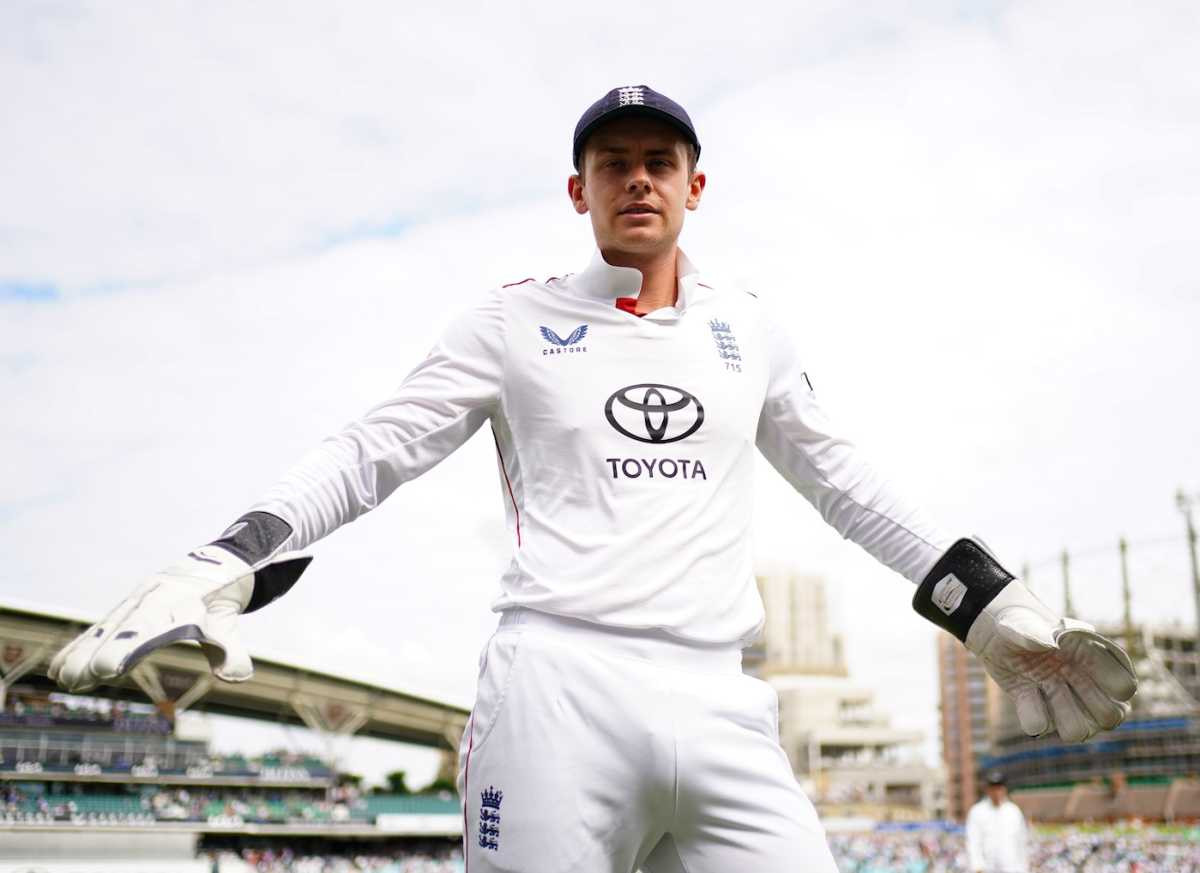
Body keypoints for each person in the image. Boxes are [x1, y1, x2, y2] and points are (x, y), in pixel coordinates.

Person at [48, 85, 1138, 872]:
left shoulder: (749, 330)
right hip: (556, 692)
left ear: (695, 186)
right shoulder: (510, 322)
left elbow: (844, 480)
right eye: (614, 164)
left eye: (659, 161)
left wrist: (984, 603)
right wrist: (228, 554)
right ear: (579, 189)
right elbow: (370, 449)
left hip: (721, 698)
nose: (638, 180)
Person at [966, 770, 1029, 873]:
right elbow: (973, 841)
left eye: (999, 788)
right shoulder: (977, 811)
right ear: (987, 790)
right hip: (987, 868)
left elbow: (1021, 841)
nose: (996, 792)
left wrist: (1023, 868)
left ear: (1005, 789)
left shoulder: (1014, 811)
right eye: (993, 788)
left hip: (1012, 868)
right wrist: (977, 866)